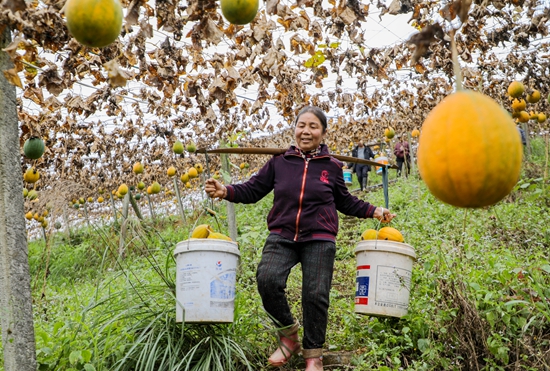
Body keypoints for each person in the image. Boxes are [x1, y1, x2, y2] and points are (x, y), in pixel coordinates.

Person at [204, 106, 396, 371]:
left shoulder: (332, 166)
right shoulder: (279, 161)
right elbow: (253, 189)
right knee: (267, 279)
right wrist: (225, 190)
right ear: (294, 129)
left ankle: (314, 355)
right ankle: (288, 335)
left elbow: (344, 201)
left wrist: (374, 210)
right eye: (301, 125)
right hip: (282, 234)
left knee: (315, 294)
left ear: (323, 133)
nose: (306, 131)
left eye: (313, 126)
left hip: (319, 236)